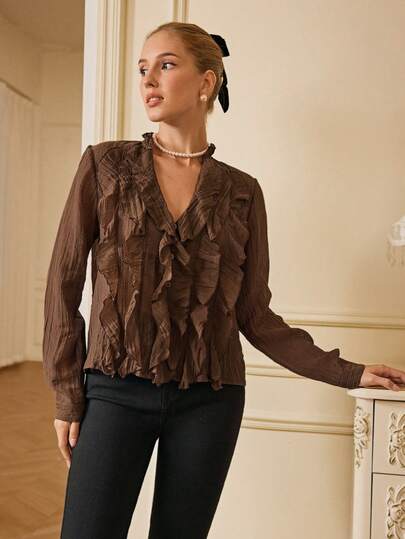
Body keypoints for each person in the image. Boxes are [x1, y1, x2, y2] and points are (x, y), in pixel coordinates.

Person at [42, 21, 405, 539]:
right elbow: (63, 282)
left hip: (210, 403)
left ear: (206, 82)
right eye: (142, 69)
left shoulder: (241, 192)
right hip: (115, 392)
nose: (148, 80)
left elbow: (255, 315)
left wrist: (350, 372)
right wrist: (66, 394)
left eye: (166, 65)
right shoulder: (105, 165)